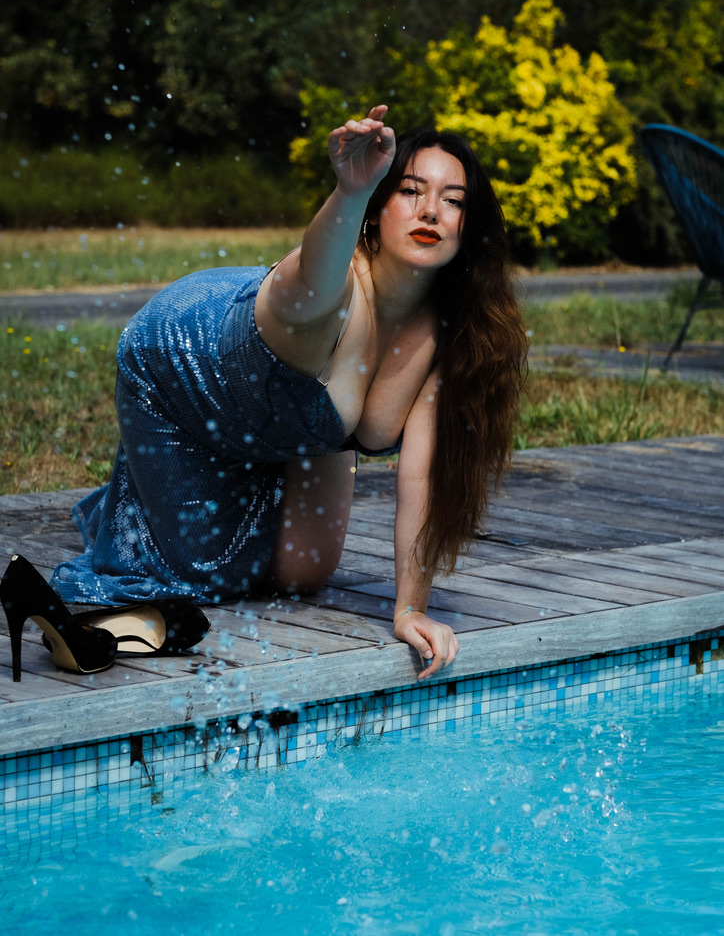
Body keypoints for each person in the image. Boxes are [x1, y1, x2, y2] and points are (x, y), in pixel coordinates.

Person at [51, 105, 528, 679]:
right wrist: (349, 193)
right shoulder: (335, 288)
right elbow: (309, 282)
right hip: (179, 363)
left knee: (304, 576)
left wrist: (409, 609)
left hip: (291, 415)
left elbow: (421, 476)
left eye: (453, 200)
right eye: (410, 190)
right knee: (208, 576)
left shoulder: (445, 331)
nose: (431, 210)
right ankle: (131, 506)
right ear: (377, 210)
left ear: (466, 229)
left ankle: (155, 494)